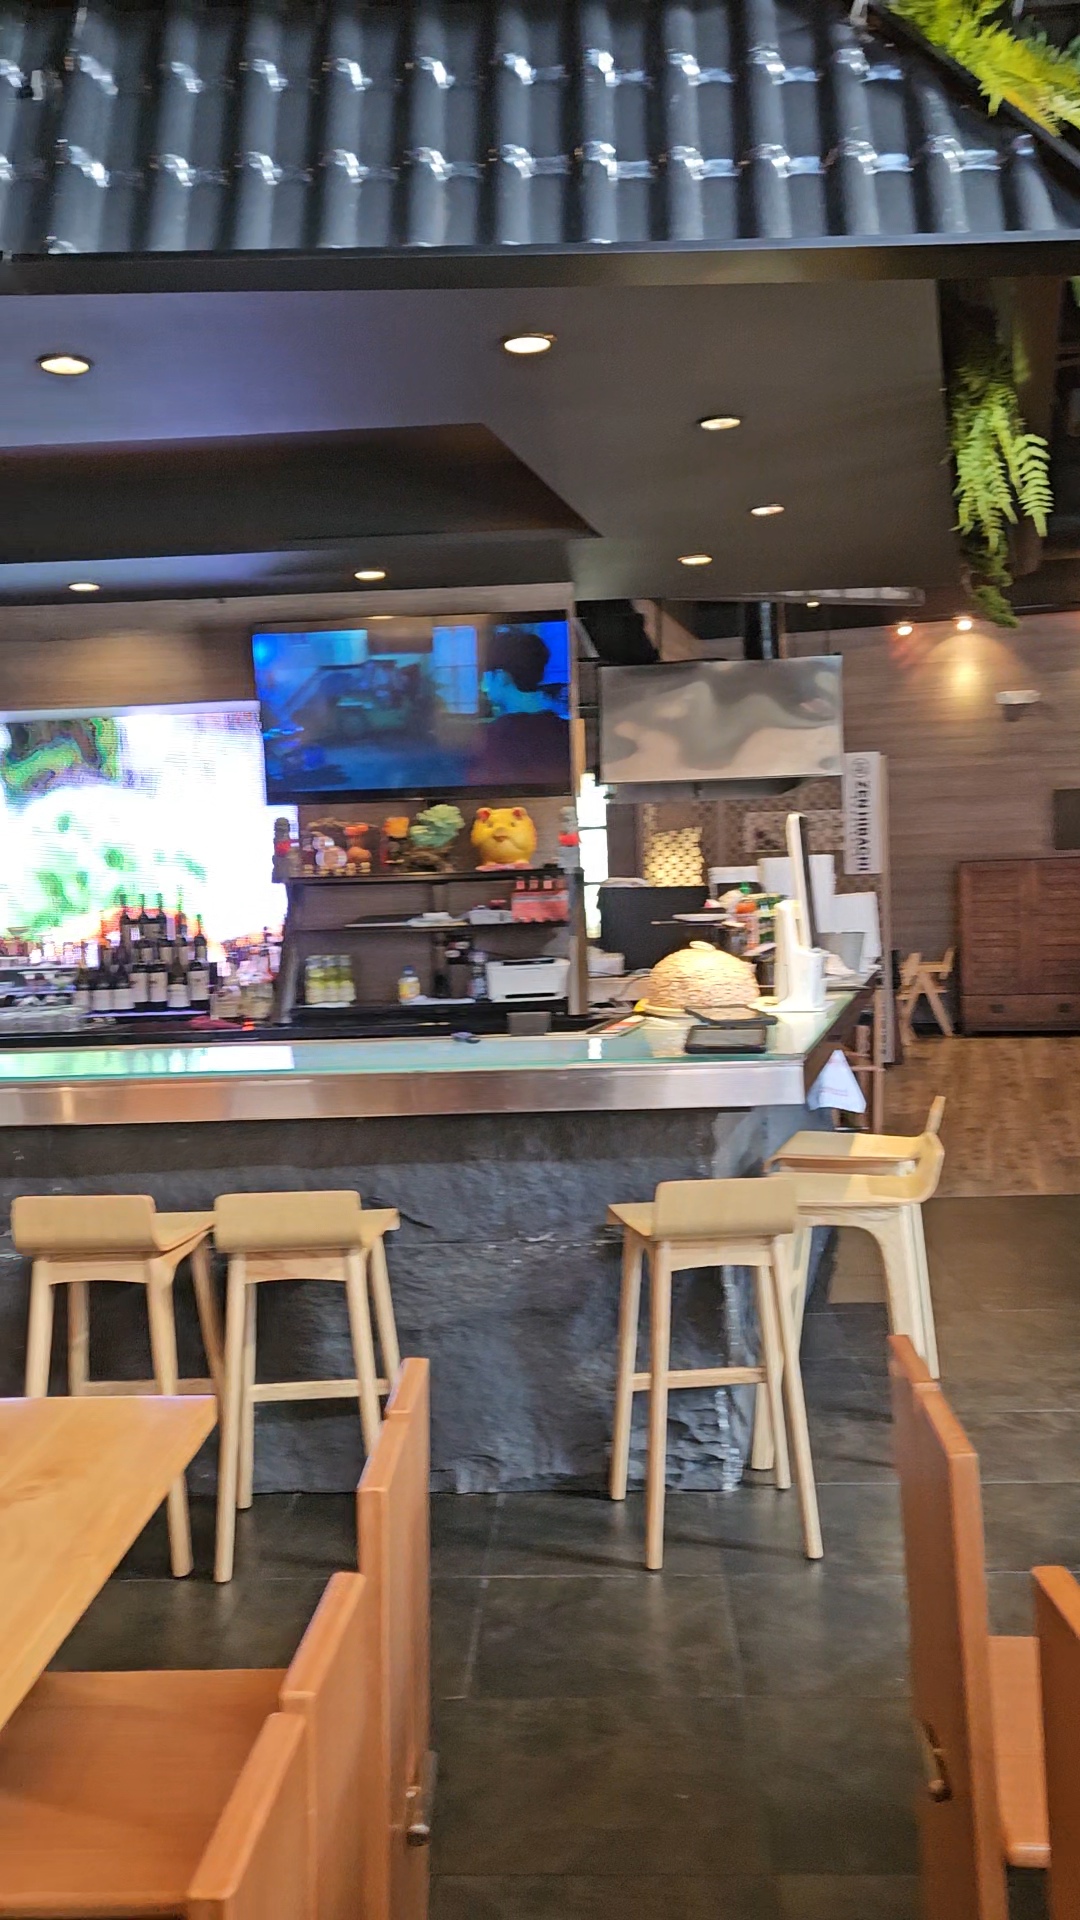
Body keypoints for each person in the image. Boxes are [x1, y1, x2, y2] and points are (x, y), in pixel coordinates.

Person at [471, 627, 569, 784]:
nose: (482, 686)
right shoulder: (566, 730)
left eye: (485, 677)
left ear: (502, 677)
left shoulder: (495, 736)